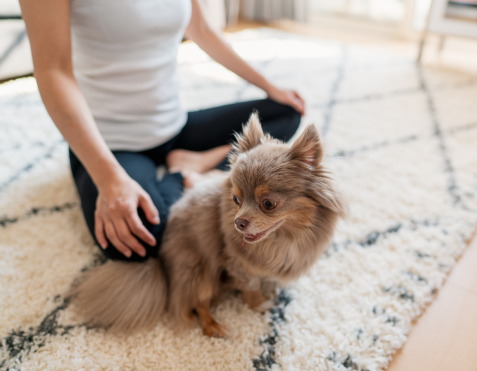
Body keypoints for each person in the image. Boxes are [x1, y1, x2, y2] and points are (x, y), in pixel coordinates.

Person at [19, 0, 305, 262]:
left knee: (286, 113)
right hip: (112, 144)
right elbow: (52, 70)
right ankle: (180, 173)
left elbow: (202, 29)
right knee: (139, 240)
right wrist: (109, 179)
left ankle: (196, 163)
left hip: (174, 126)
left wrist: (269, 86)